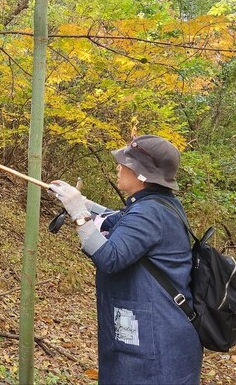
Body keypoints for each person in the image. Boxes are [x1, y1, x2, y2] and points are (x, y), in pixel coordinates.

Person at [48, 135, 202, 385]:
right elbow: (116, 219)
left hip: (157, 346)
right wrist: (79, 202)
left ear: (142, 174)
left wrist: (78, 213)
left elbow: (109, 258)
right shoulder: (155, 205)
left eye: (125, 163)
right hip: (150, 335)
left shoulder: (150, 212)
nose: (118, 167)